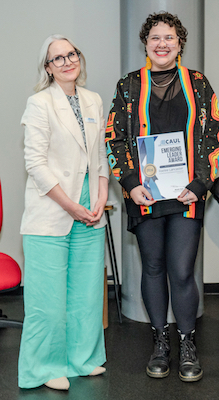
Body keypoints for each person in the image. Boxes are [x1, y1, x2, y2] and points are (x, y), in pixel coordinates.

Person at [105, 12, 219, 382]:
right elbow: (114, 138)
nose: (161, 44)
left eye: (169, 37)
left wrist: (201, 185)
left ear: (179, 43)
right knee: (153, 267)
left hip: (187, 195)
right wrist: (128, 182)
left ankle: (187, 343)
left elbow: (215, 135)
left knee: (182, 270)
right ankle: (160, 341)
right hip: (144, 193)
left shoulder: (199, 84)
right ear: (145, 43)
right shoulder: (128, 85)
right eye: (155, 37)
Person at [18, 34, 109, 390]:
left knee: (87, 292)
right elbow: (35, 164)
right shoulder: (39, 103)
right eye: (58, 58)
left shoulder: (93, 100)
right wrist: (72, 206)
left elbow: (100, 156)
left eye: (72, 54)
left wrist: (101, 195)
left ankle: (82, 359)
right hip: (53, 206)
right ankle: (42, 368)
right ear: (48, 67)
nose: (68, 61)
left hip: (90, 203)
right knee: (48, 300)